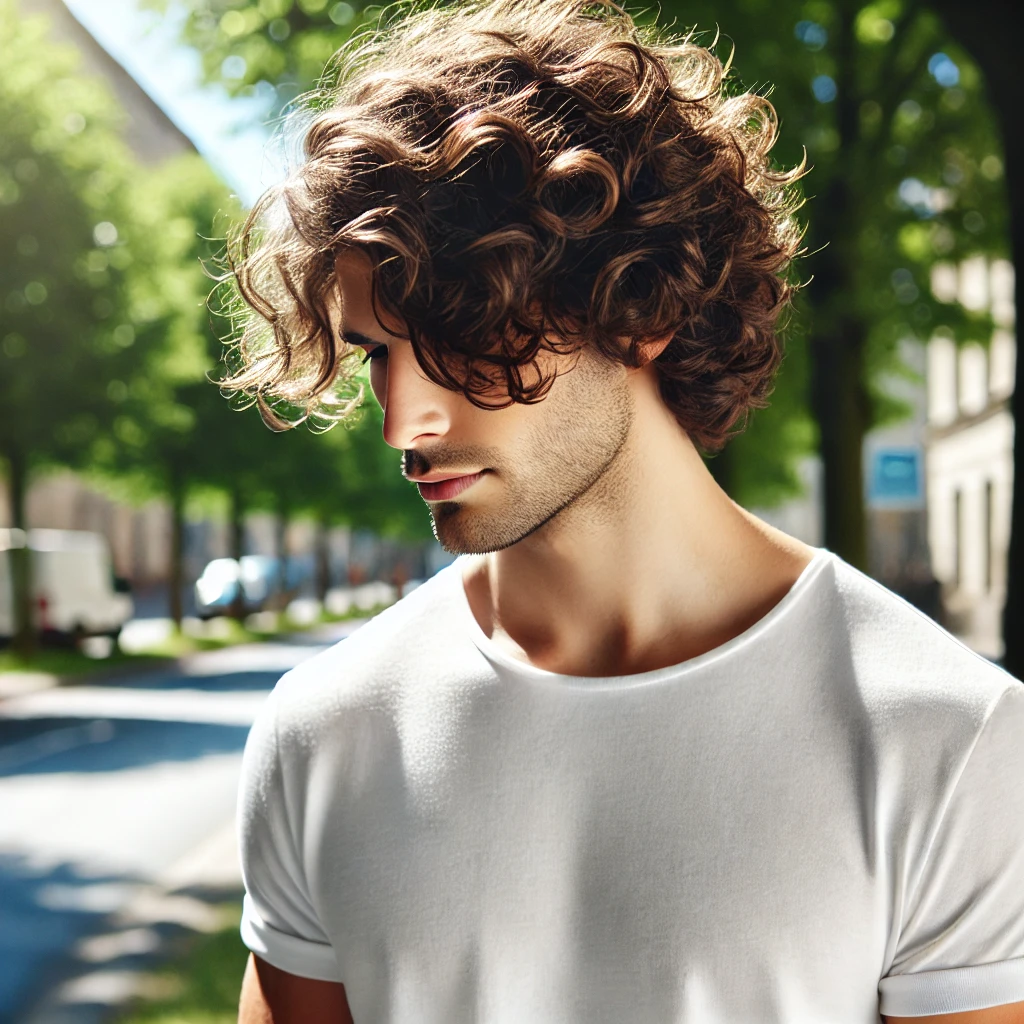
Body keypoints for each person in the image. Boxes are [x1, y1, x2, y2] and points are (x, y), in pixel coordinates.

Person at [225, 1, 1024, 1021]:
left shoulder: (947, 740)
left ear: (637, 308)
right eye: (380, 351)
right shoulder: (324, 732)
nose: (403, 420)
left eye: (459, 330)